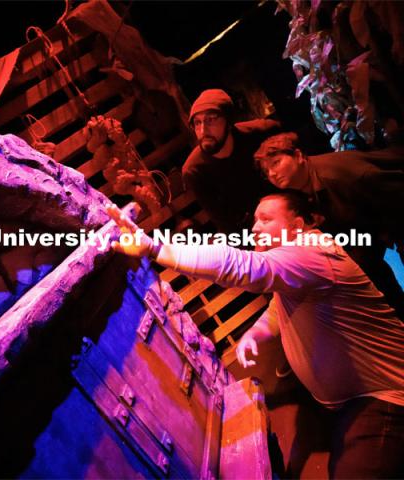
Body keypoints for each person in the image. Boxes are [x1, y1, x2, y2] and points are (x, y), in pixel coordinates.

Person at [106, 192, 404, 479]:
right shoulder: (297, 264)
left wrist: (156, 249)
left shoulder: (314, 251)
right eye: (255, 220)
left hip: (383, 396)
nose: (255, 227)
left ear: (297, 226)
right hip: (345, 401)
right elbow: (279, 308)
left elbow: (243, 266)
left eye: (266, 219)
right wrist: (254, 335)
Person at [254, 132, 404, 319]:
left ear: (299, 156)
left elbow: (394, 194)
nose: (272, 174)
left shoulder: (339, 176)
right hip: (368, 241)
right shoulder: (302, 190)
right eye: (266, 171)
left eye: (275, 163)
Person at [182, 89, 280, 234]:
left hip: (288, 210)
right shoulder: (194, 171)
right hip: (254, 232)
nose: (203, 131)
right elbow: (226, 225)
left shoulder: (262, 132)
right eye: (197, 123)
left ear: (228, 122)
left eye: (211, 120)